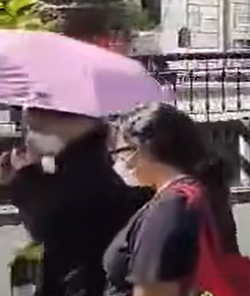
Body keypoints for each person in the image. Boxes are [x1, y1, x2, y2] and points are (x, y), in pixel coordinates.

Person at [1, 108, 150, 296]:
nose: (28, 136)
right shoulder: (81, 158)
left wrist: (25, 177)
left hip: (83, 283)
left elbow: (48, 227)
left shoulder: (84, 168)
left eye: (34, 128)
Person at [104, 102, 243, 296]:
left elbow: (155, 291)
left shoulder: (167, 209)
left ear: (143, 149)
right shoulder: (201, 194)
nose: (119, 162)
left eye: (121, 152)